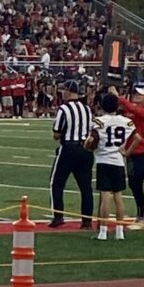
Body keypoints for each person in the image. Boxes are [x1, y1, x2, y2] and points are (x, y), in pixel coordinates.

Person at [90, 94, 140, 241]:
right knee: (118, 196)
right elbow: (137, 138)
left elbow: (91, 140)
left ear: (102, 106)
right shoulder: (126, 121)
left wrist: (87, 146)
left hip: (104, 160)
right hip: (118, 161)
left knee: (105, 195)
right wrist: (127, 152)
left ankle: (103, 232)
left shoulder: (99, 121)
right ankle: (119, 232)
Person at [48, 80, 94, 229]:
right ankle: (86, 220)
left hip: (68, 149)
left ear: (68, 91)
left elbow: (56, 134)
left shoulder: (64, 109)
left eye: (63, 90)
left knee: (56, 183)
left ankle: (58, 216)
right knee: (85, 187)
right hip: (85, 149)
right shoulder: (86, 108)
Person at [116, 86, 144, 224]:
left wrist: (119, 98)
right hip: (132, 151)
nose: (136, 95)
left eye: (140, 95)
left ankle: (141, 214)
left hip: (142, 152)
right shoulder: (136, 110)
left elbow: (133, 110)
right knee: (133, 184)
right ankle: (142, 211)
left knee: (136, 183)